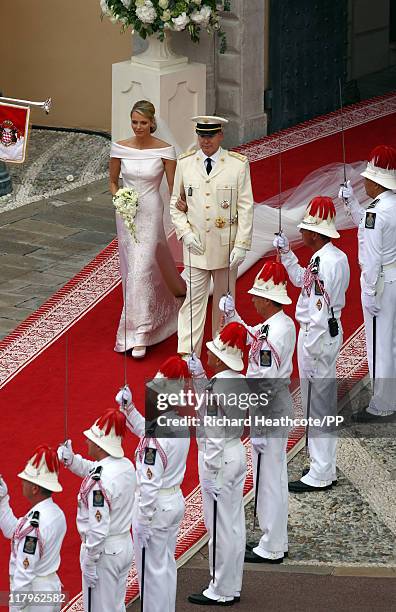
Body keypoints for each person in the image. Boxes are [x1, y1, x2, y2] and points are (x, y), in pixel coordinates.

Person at [274, 196, 350, 493]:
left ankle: (320, 473)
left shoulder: (324, 261)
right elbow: (302, 282)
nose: (302, 234)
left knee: (317, 406)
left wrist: (310, 348)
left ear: (316, 234)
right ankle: (323, 466)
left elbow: (318, 308)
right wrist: (287, 255)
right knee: (320, 405)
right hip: (326, 334)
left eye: (305, 230)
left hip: (317, 336)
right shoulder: (331, 257)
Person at [222, 260, 296, 562]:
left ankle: (272, 544)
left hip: (268, 412)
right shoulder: (279, 324)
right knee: (272, 477)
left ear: (268, 300)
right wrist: (234, 318)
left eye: (256, 296)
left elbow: (262, 381)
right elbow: (255, 337)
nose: (252, 299)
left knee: (269, 479)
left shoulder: (275, 333)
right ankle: (275, 538)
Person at [170, 115, 254, 357]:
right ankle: (188, 354)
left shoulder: (238, 165)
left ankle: (222, 349)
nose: (205, 141)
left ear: (220, 136)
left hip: (225, 246)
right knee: (193, 302)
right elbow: (177, 203)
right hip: (196, 246)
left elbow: (245, 207)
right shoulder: (185, 163)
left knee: (224, 302)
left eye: (210, 136)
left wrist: (241, 244)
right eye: (201, 136)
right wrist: (185, 233)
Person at [109, 99, 186, 359]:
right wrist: (118, 199)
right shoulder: (119, 147)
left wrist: (182, 205)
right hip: (127, 212)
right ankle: (172, 291)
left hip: (152, 209)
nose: (138, 127)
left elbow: (174, 186)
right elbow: (112, 181)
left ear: (152, 123)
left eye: (143, 122)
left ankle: (139, 333)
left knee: (141, 267)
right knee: (136, 266)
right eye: (134, 122)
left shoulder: (165, 150)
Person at [116, 355, 190, 612]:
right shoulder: (177, 421)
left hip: (155, 508)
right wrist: (129, 409)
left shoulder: (158, 433)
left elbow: (148, 486)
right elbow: (145, 429)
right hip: (173, 501)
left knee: (151, 574)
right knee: (165, 566)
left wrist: (144, 520)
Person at [187, 322, 247, 606]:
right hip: (236, 452)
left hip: (218, 458)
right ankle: (232, 583)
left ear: (221, 358)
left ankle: (219, 587)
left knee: (218, 527)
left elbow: (212, 430)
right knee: (234, 524)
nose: (208, 355)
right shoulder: (238, 379)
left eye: (211, 353)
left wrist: (210, 471)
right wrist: (199, 376)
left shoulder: (216, 388)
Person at [57, 407, 136, 612]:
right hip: (123, 545)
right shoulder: (126, 465)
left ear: (100, 445)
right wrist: (72, 461)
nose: (86, 442)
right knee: (116, 605)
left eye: (90, 439)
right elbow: (94, 468)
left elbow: (98, 528)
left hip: (103, 553)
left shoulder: (99, 481)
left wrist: (90, 561)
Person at [339, 145, 396, 421]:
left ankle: (382, 403)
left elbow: (372, 256)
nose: (365, 184)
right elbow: (370, 226)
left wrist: (371, 291)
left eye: (368, 180)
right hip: (393, 276)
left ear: (377, 182)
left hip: (381, 282)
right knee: (391, 341)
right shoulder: (388, 205)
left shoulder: (377, 213)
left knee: (379, 344)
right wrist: (351, 205)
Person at [0, 446, 66, 612]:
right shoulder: (57, 513)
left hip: (34, 596)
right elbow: (13, 532)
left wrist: (16, 607)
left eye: (26, 480)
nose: (22, 482)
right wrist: (2, 500)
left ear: (35, 488)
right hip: (49, 587)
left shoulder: (33, 526)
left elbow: (24, 574)